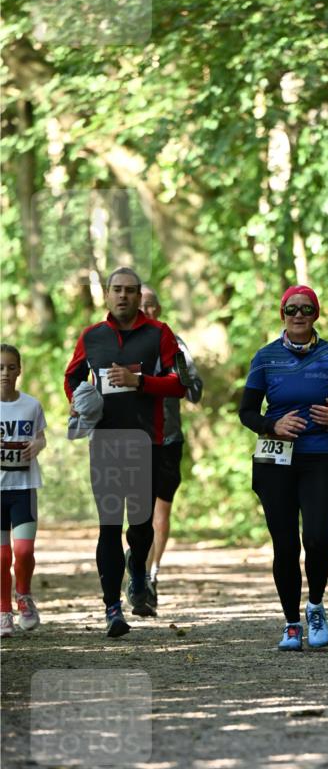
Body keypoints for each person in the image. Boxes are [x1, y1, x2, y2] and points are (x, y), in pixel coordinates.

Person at [64, 267, 186, 637]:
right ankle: (112, 609)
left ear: (138, 297)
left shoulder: (159, 334)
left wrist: (139, 382)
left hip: (146, 442)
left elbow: (180, 384)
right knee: (108, 526)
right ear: (106, 295)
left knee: (141, 526)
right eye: (116, 290)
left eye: (130, 291)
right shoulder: (92, 336)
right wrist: (77, 400)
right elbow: (72, 376)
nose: (123, 297)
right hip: (104, 442)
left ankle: (137, 569)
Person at [239, 285, 328, 651]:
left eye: (307, 309)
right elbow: (246, 412)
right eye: (292, 309)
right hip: (276, 458)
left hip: (321, 455)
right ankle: (291, 623)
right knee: (285, 543)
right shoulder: (265, 357)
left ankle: (316, 607)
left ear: (317, 314)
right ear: (283, 314)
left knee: (318, 538)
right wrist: (272, 425)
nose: (299, 315)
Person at [139, 286, 203, 604]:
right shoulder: (117, 342)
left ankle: (151, 575)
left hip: (167, 437)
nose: (147, 311)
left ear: (160, 309)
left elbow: (195, 389)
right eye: (141, 306)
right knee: (138, 510)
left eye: (152, 306)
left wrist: (180, 374)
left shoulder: (174, 343)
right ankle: (138, 566)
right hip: (131, 439)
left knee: (160, 507)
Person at [0, 344, 47, 638]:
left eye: (10, 367)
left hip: (24, 487)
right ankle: (4, 612)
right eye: (0, 368)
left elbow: (41, 438)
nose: (5, 373)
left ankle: (24, 596)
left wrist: (36, 446)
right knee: (2, 557)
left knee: (24, 550)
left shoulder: (31, 405)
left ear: (19, 370)